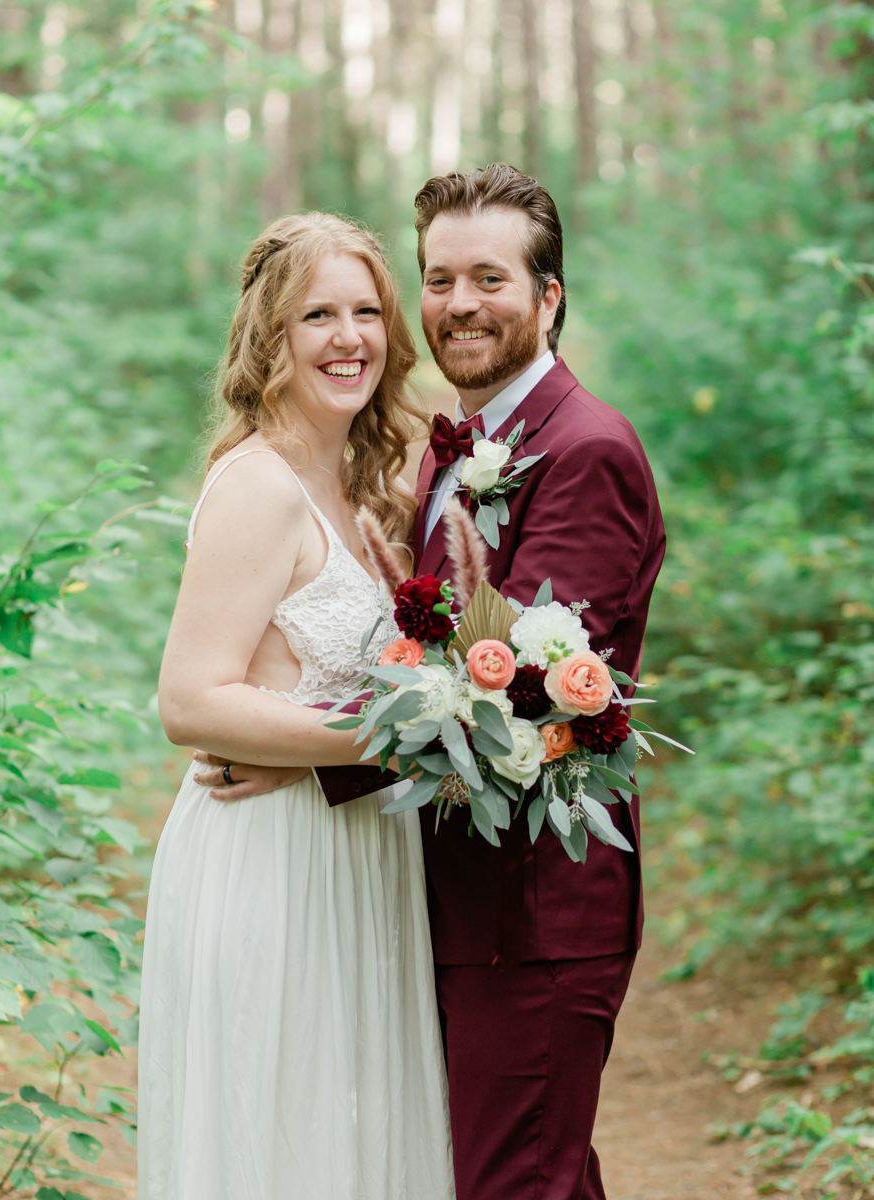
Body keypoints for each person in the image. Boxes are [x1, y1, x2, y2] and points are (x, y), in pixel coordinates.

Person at [197, 165, 666, 1200]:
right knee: (528, 1176)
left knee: (515, 1181)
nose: (460, 305)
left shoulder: (584, 451)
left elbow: (521, 702)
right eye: (440, 279)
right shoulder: (449, 451)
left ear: (549, 298)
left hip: (532, 913)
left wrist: (312, 755)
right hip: (446, 901)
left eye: (490, 279)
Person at [137, 212, 455, 1200]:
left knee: (354, 1130)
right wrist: (380, 744)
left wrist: (349, 758)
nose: (348, 337)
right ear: (269, 336)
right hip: (270, 864)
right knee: (279, 1137)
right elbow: (190, 700)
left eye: (366, 311)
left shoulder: (372, 484)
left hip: (355, 848)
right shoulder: (257, 487)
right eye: (318, 314)